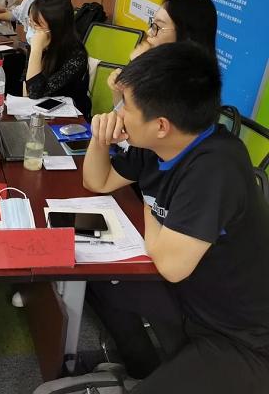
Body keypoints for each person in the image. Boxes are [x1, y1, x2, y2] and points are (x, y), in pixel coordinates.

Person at [82, 42, 269, 392]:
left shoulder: (216, 167)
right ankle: (147, 368)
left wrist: (147, 205)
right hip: (190, 299)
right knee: (96, 281)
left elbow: (171, 265)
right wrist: (99, 139)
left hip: (240, 337)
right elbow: (98, 181)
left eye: (126, 106)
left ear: (161, 125)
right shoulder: (158, 144)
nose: (118, 112)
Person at [107, 0, 217, 105]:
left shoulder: (189, 85)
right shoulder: (159, 67)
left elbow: (142, 114)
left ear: (187, 37)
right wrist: (119, 89)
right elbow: (123, 111)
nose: (149, 32)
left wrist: (139, 68)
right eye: (152, 24)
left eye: (158, 27)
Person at [23, 0, 90, 119]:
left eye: (37, 26)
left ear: (56, 27)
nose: (33, 30)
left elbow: (34, 92)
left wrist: (36, 50)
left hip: (68, 118)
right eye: (31, 23)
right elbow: (26, 87)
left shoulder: (76, 55)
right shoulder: (39, 45)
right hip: (39, 112)